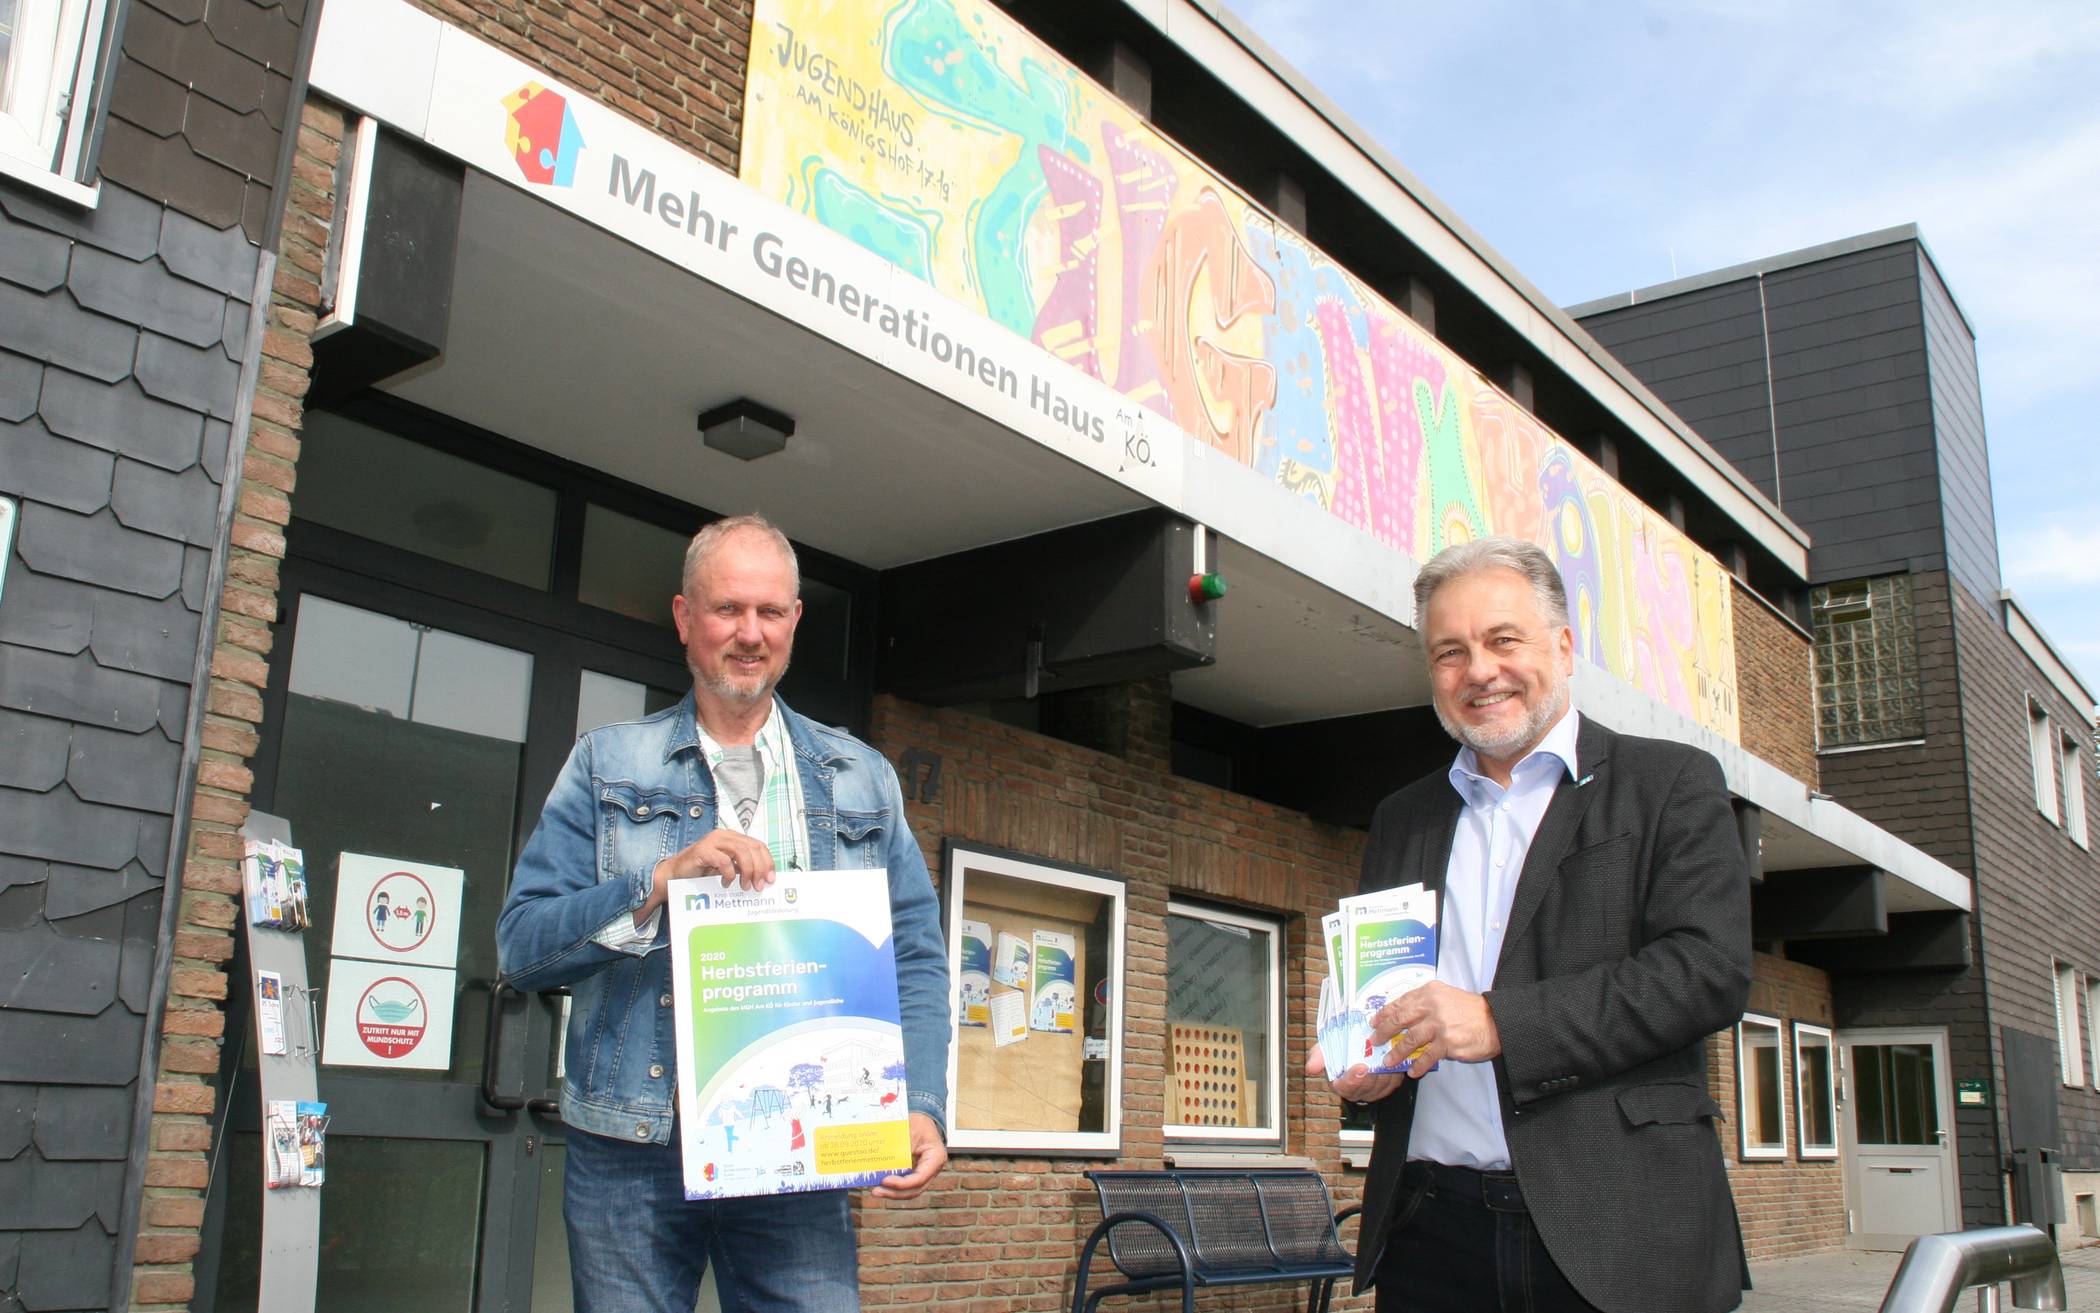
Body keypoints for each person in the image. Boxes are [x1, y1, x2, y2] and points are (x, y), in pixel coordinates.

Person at [497, 514, 951, 1313]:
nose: (750, 632)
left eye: (769, 612)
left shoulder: (862, 778)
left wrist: (921, 1101)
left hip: (803, 1147)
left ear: (795, 622)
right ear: (683, 619)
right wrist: (654, 881)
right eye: (727, 609)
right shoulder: (608, 764)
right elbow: (522, 946)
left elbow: (913, 954)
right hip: (634, 1145)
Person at [1310, 535, 1752, 1313]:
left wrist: (1497, 1021)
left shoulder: (1670, 783)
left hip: (1620, 1234)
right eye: (1450, 652)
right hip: (1431, 1230)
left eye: (1502, 639)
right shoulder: (1402, 818)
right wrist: (1373, 1066)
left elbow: (1706, 970)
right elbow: (1393, 994)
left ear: (1565, 644)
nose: (1479, 670)